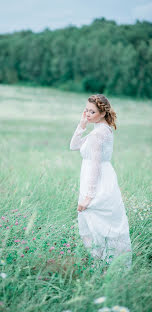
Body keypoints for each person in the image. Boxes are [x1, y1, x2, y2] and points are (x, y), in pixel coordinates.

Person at [70, 94, 132, 267]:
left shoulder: (99, 134)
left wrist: (88, 197)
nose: (88, 114)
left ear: (102, 113)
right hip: (97, 179)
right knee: (98, 225)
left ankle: (106, 264)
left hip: (99, 183)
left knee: (100, 225)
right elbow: (74, 145)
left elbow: (95, 166)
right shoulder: (99, 130)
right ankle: (104, 264)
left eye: (92, 112)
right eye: (86, 110)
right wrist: (82, 125)